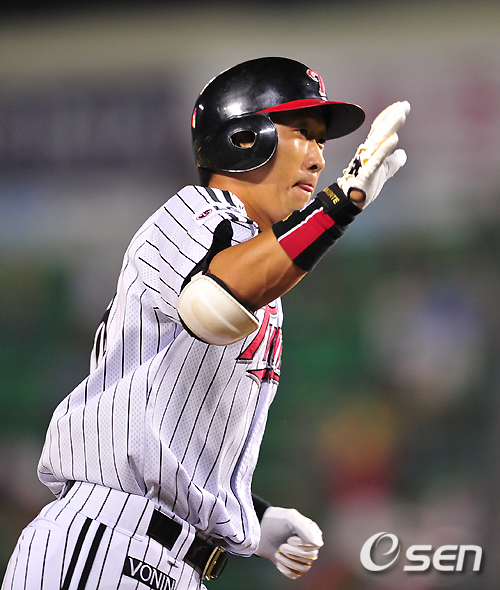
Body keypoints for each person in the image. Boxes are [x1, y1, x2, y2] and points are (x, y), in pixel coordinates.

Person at [2, 57, 409, 590]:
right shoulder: (198, 213)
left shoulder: (259, 259)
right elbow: (212, 300)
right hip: (108, 543)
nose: (318, 157)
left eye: (321, 141)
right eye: (303, 133)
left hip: (163, 557)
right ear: (245, 138)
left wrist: (251, 517)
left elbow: (164, 431)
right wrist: (340, 204)